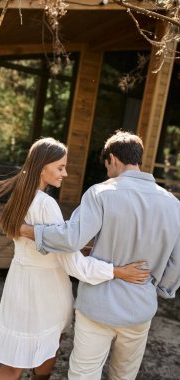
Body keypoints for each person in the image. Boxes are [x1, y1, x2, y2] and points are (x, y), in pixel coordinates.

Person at [0, 137, 149, 380]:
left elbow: (57, 249)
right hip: (45, 289)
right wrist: (117, 271)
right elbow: (73, 264)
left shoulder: (20, 195)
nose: (66, 173)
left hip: (19, 282)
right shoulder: (47, 204)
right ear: (41, 167)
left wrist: (83, 249)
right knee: (38, 352)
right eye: (60, 167)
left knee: (23, 358)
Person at [20, 131, 180, 380]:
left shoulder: (100, 193)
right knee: (124, 376)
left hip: (97, 307)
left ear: (113, 159)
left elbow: (71, 238)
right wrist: (158, 290)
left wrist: (29, 231)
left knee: (83, 374)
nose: (108, 173)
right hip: (140, 308)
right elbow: (176, 261)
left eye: (107, 167)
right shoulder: (173, 204)